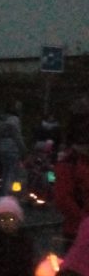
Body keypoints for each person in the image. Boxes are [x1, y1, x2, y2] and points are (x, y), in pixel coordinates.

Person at [54, 97, 89, 247]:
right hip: (78, 232)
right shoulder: (70, 163)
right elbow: (63, 199)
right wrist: (84, 221)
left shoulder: (70, 162)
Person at [0, 102, 25, 196]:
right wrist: (22, 148)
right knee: (12, 172)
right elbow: (17, 136)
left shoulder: (1, 120)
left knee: (5, 172)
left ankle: (3, 193)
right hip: (12, 147)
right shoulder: (15, 120)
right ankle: (8, 193)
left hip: (2, 146)